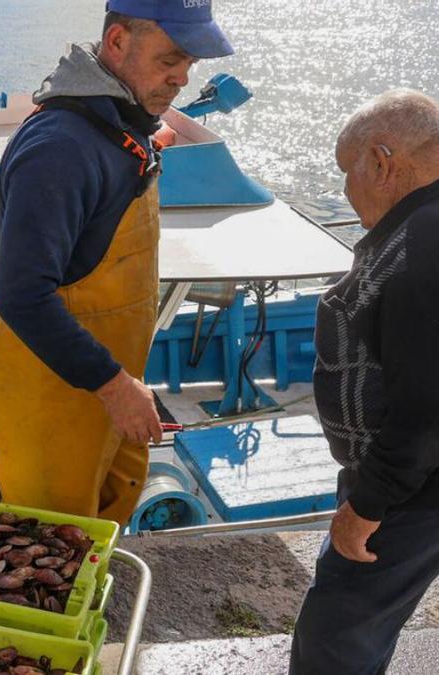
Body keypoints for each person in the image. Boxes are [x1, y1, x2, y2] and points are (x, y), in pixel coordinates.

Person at [0, 0, 232, 523]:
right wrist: (114, 386)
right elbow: (22, 296)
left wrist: (119, 388)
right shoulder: (60, 148)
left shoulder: (124, 123)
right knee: (54, 549)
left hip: (110, 392)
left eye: (189, 63)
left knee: (105, 533)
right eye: (170, 59)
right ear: (117, 42)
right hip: (54, 403)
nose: (182, 78)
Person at [290, 89, 439, 674]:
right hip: (415, 478)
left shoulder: (421, 247)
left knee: (336, 634)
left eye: (345, 171)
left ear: (380, 161)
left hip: (410, 489)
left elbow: (425, 406)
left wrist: (369, 503)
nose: (344, 190)